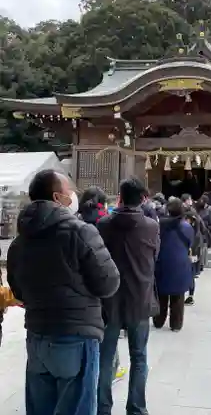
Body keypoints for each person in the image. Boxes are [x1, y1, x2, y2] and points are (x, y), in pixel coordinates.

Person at [6, 169, 120, 415]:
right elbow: (109, 283)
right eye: (70, 191)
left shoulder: (19, 241)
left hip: (37, 337)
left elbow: (18, 290)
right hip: (75, 337)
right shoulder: (80, 232)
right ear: (58, 197)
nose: (74, 196)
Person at [96, 177, 160, 415]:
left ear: (119, 197)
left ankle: (102, 408)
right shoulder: (151, 226)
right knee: (139, 357)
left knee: (105, 357)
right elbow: (154, 259)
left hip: (109, 301)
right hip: (139, 300)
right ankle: (136, 408)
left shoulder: (103, 225)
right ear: (142, 199)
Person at [78, 186, 126, 383]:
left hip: (80, 283)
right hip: (104, 279)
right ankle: (111, 369)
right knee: (108, 329)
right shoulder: (106, 221)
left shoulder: (74, 219)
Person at [153, 198, 194, 332]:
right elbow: (190, 244)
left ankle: (158, 320)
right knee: (178, 296)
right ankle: (176, 324)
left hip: (162, 262)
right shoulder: (187, 227)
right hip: (180, 263)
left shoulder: (159, 225)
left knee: (161, 294)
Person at [195, 194, 211, 271]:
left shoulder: (209, 208)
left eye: (202, 200)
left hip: (205, 228)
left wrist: (209, 228)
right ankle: (199, 263)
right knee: (199, 246)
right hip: (198, 228)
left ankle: (203, 263)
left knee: (204, 247)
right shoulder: (197, 208)